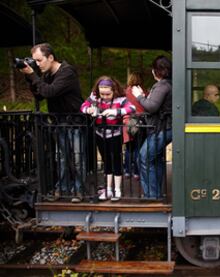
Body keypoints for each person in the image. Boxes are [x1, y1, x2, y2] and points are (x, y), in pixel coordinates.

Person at [19, 42, 84, 203]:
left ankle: (79, 190)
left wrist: (33, 75)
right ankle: (61, 189)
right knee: (61, 157)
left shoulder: (66, 72)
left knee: (77, 158)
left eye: (39, 60)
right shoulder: (47, 74)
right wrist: (30, 77)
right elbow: (40, 95)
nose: (37, 64)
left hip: (75, 122)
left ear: (51, 57)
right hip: (59, 122)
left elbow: (50, 91)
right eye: (35, 61)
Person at [81, 76, 136, 201]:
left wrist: (116, 112)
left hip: (115, 134)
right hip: (100, 134)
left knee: (116, 160)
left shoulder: (120, 99)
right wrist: (89, 109)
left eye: (108, 94)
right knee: (106, 162)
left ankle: (117, 189)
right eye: (102, 94)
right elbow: (83, 105)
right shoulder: (95, 97)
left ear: (114, 90)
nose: (105, 97)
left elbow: (132, 108)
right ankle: (108, 189)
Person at [132, 55, 172, 199]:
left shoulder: (162, 85)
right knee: (155, 159)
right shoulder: (168, 84)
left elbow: (152, 107)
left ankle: (152, 195)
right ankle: (155, 194)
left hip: (161, 128)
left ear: (157, 71)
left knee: (143, 158)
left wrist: (139, 96)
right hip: (165, 127)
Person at [123, 71, 148, 179]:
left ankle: (128, 171)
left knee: (129, 148)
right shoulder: (143, 92)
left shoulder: (125, 92)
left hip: (127, 122)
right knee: (139, 148)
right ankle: (137, 172)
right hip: (140, 122)